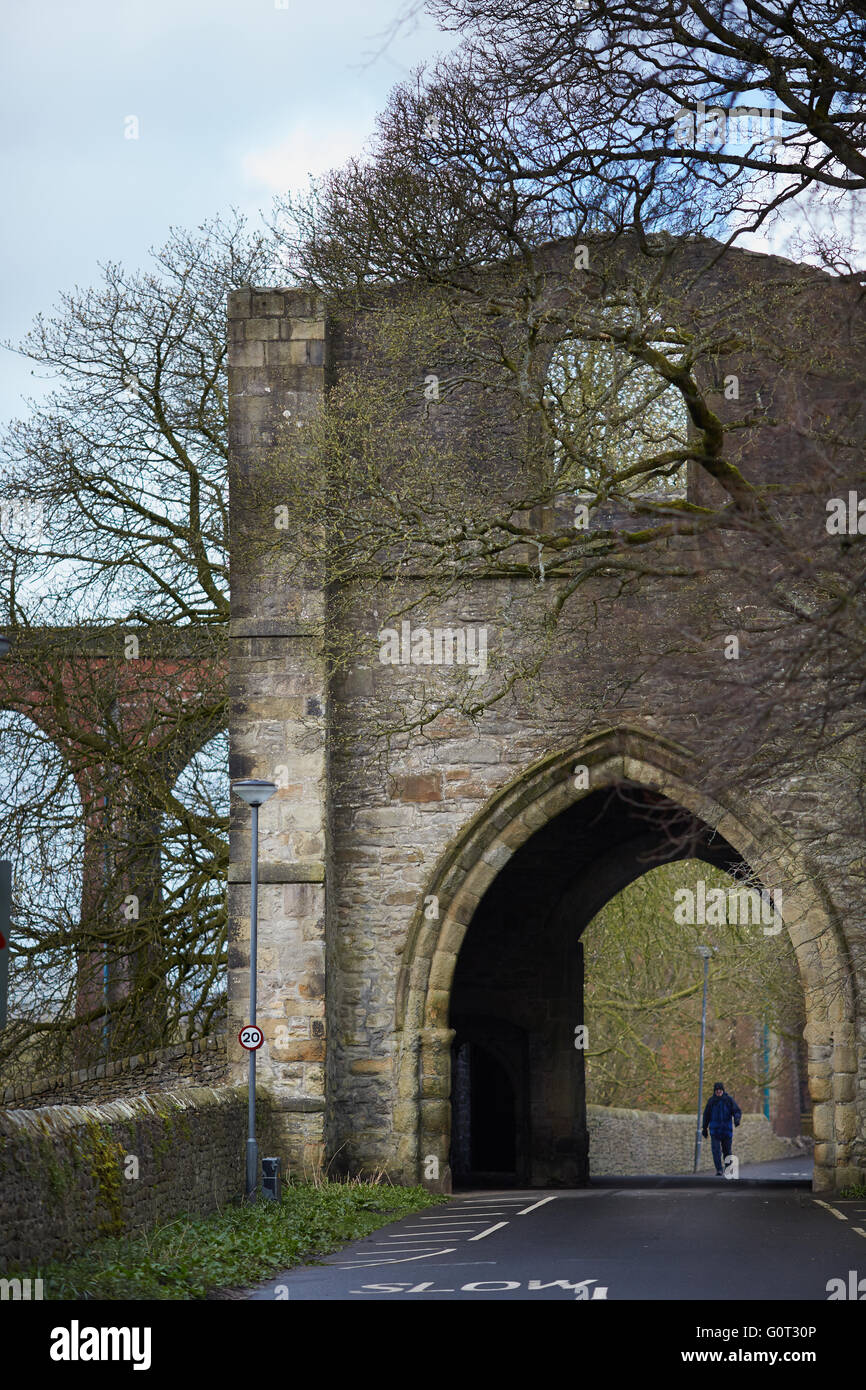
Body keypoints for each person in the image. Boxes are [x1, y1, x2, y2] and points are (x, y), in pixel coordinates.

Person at [702, 1081, 742, 1176]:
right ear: (714, 1091)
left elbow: (737, 1111)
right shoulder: (711, 1101)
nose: (718, 1092)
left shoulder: (728, 1100)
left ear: (723, 1090)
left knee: (727, 1151)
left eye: (720, 1090)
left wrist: (737, 1119)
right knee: (716, 1151)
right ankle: (719, 1169)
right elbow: (706, 1115)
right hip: (715, 1131)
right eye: (717, 1090)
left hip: (726, 1131)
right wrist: (704, 1128)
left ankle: (728, 1169)